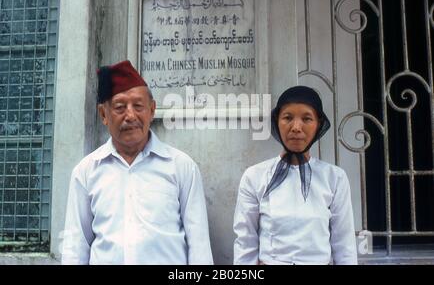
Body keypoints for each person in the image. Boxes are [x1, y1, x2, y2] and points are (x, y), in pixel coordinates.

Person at [62, 60, 213, 265]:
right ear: (103, 114)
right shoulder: (86, 171)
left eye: (138, 106)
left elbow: (199, 245)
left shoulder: (181, 166)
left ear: (152, 110)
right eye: (120, 107)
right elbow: (75, 245)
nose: (130, 115)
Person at [233, 85, 357, 265]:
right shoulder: (254, 177)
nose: (296, 127)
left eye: (307, 118)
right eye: (288, 118)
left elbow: (344, 245)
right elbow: (245, 242)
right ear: (277, 121)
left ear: (318, 124)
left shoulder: (335, 178)